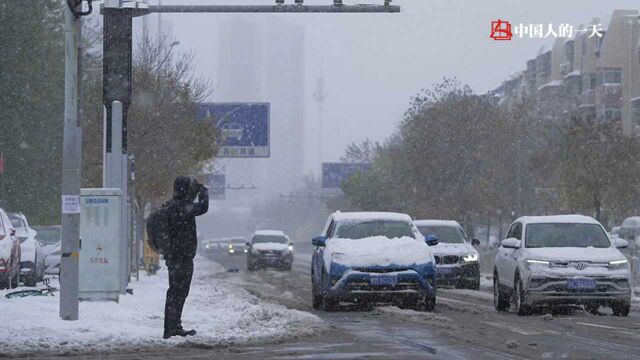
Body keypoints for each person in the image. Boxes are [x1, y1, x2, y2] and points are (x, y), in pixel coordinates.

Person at [163, 176, 209, 339]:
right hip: (182, 257)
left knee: (174, 291)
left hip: (174, 256)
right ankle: (173, 327)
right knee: (179, 292)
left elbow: (184, 204)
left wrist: (192, 192)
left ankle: (171, 326)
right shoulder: (183, 207)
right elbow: (203, 207)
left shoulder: (171, 206)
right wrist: (203, 191)